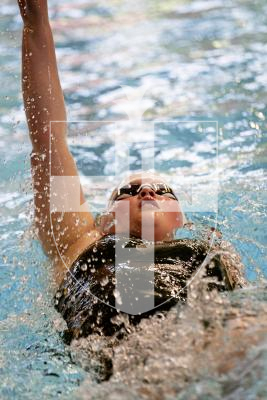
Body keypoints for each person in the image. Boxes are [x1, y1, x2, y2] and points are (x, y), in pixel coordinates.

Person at [17, 0, 246, 341]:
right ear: (104, 220)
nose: (147, 192)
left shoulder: (216, 253)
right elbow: (48, 137)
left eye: (162, 190)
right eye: (128, 192)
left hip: (211, 342)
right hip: (131, 365)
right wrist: (36, 16)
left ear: (181, 217)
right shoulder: (76, 240)